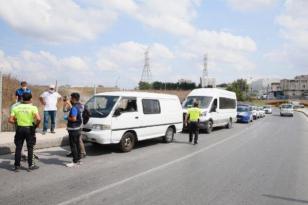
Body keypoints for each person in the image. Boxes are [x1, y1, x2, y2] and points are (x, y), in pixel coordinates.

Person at [9, 93, 41, 172]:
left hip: (19, 129)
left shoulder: (16, 108)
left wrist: (17, 122)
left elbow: (10, 120)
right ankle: (31, 165)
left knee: (18, 147)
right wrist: (36, 126)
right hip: (29, 129)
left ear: (22, 99)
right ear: (31, 99)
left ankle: (17, 166)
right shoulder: (33, 108)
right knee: (30, 147)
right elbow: (39, 119)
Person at [65, 93, 84, 168]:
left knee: (73, 146)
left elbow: (73, 118)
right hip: (78, 128)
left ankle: (74, 161)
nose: (70, 99)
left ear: (73, 99)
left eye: (71, 98)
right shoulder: (81, 106)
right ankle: (79, 160)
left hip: (73, 129)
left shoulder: (74, 108)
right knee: (77, 145)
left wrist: (67, 118)